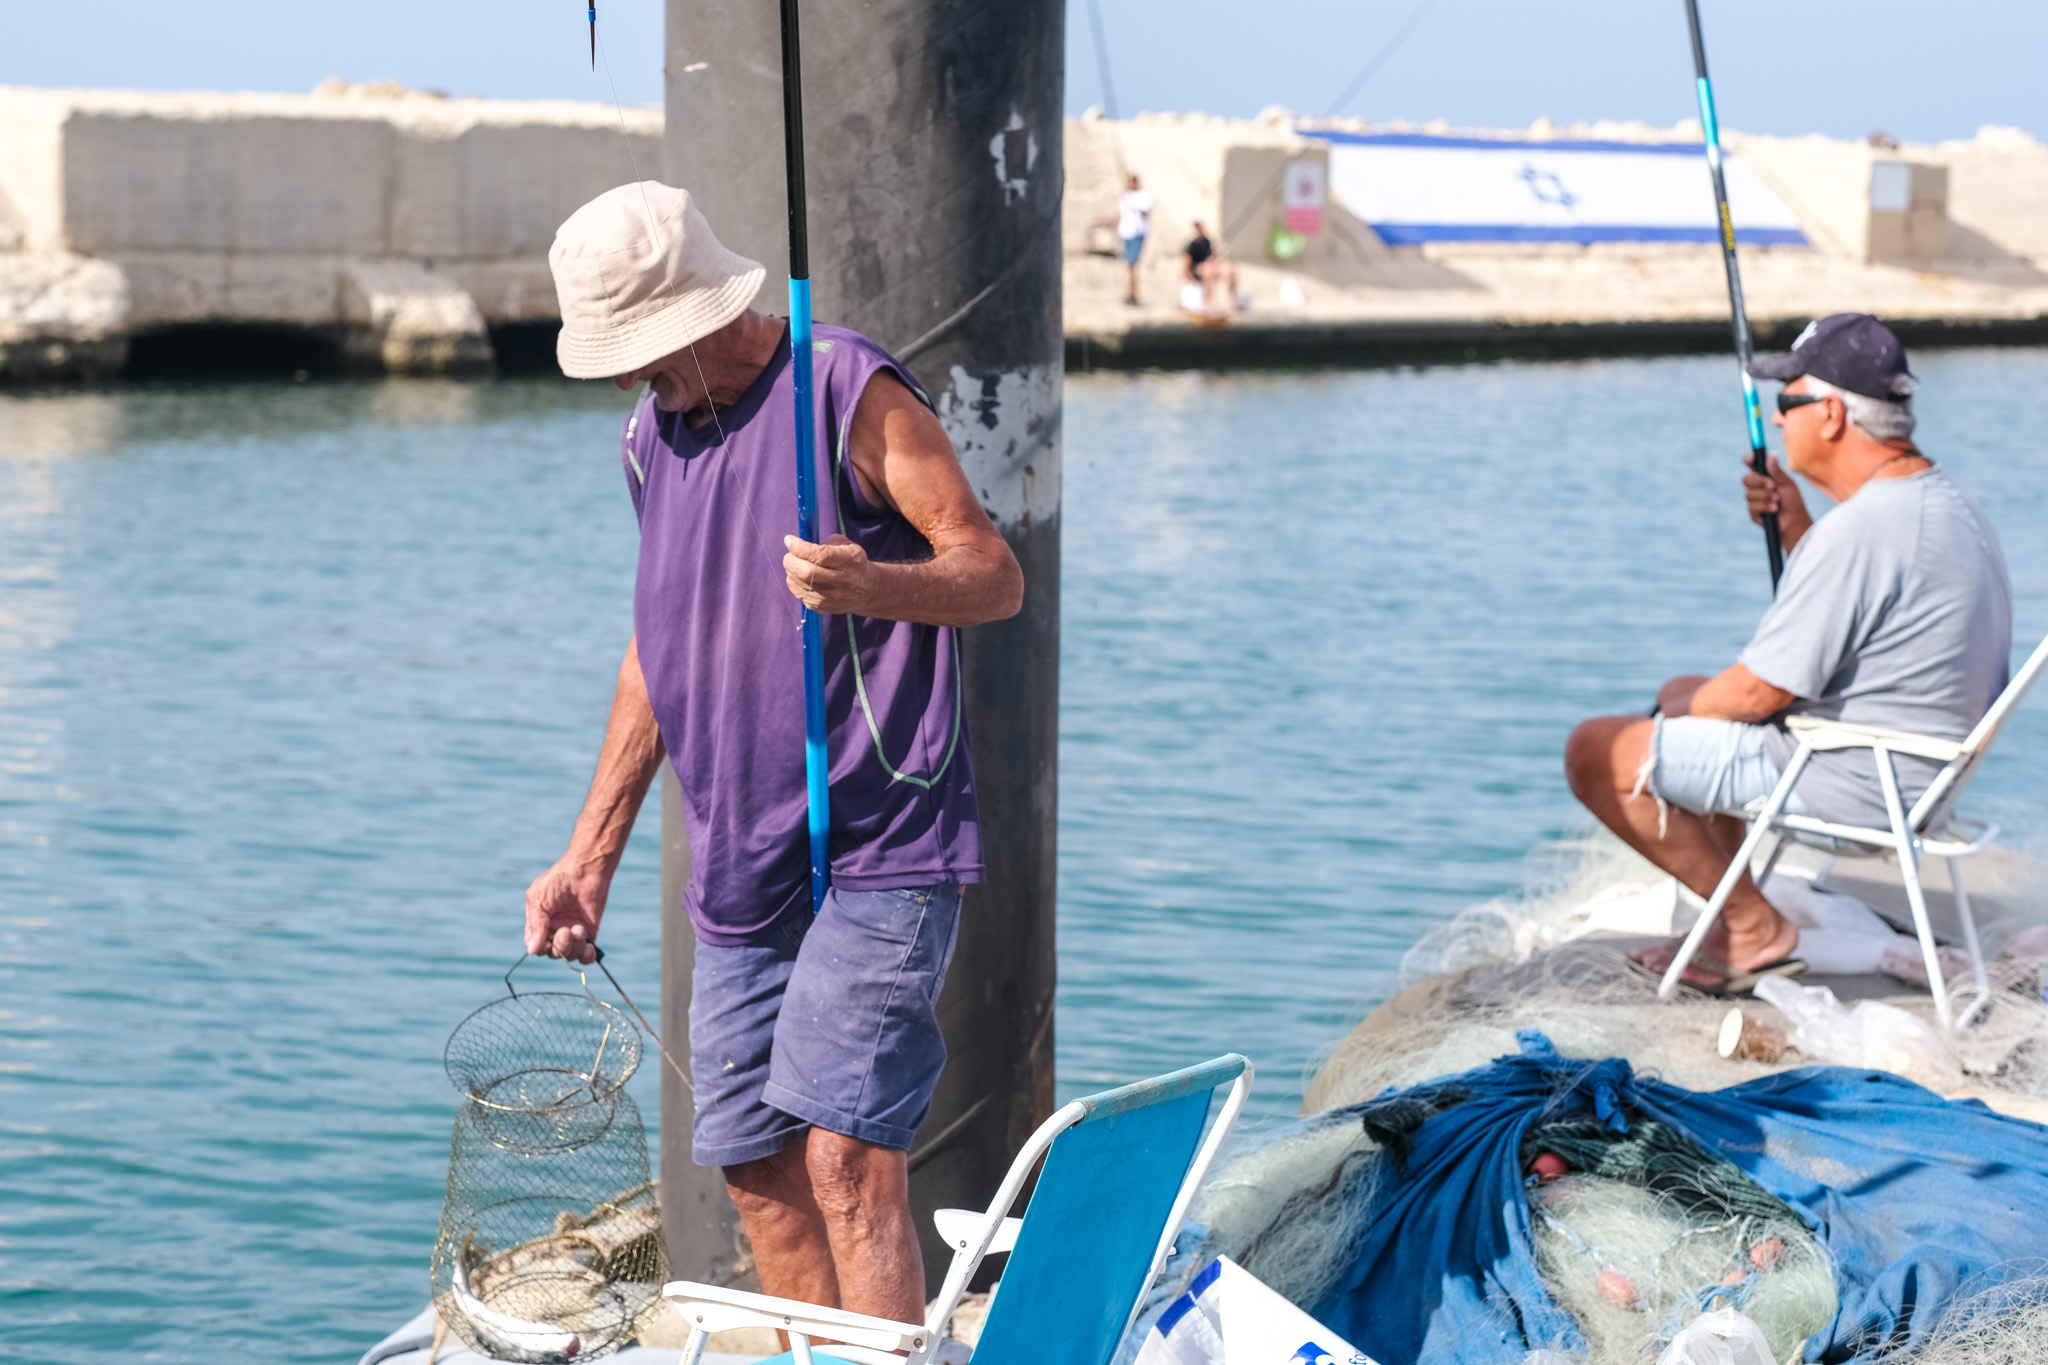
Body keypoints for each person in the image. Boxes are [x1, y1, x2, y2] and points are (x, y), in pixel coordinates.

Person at [526, 183, 1024, 1324]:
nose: (624, 381)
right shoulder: (648, 439)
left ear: (699, 312)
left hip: (882, 842)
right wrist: (589, 856)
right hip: (738, 858)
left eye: (637, 352)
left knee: (845, 1155)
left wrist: (874, 583)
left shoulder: (845, 388)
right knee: (754, 1162)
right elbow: (655, 652)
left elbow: (991, 574)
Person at [1564, 314, 2012, 990]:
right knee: (1690, 698)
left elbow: (1759, 694)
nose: (1777, 420)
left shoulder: (1864, 530)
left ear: (1831, 415)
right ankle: (1732, 918)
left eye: (1788, 401)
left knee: (1599, 749)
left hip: (1853, 783)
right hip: (1914, 773)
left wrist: (1675, 707)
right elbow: (1867, 622)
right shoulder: (1941, 504)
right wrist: (1799, 527)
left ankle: (1751, 926)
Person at [1183, 220, 1240, 315]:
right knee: (1208, 271)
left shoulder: (1207, 242)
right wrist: (1188, 274)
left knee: (1230, 269)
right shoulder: (1192, 245)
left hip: (1208, 265)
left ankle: (1232, 301)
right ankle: (1209, 302)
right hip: (1198, 268)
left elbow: (1212, 256)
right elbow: (1187, 260)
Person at [1114, 173, 1153, 306]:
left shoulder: (1143, 196)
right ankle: (1130, 293)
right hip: (1126, 233)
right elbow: (1122, 215)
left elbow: (1145, 212)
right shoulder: (1125, 197)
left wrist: (1135, 205)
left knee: (1132, 264)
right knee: (1129, 265)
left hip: (1137, 233)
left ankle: (1134, 294)